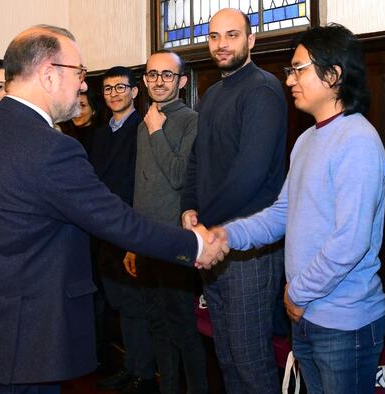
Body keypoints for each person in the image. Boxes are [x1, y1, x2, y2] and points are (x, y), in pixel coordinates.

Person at [0, 25, 224, 394]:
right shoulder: (51, 147)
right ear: (49, 75)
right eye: (79, 73)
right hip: (26, 339)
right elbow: (116, 221)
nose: (84, 86)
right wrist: (194, 245)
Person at [217, 24, 385, 394]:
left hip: (344, 321)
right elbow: (282, 213)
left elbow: (351, 241)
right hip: (308, 312)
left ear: (334, 74)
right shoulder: (307, 139)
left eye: (299, 69)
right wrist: (227, 234)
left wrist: (298, 293)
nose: (290, 79)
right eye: (289, 71)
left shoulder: (357, 140)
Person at [180, 8, 288, 393]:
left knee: (250, 361)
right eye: (214, 37)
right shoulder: (211, 94)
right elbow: (197, 159)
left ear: (251, 40)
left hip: (249, 248)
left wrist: (206, 224)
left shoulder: (262, 89)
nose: (222, 44)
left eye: (231, 35)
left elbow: (250, 173)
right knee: (226, 356)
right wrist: (189, 208)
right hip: (212, 239)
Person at [123, 50, 207, 394]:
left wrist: (157, 131)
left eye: (167, 75)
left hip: (174, 241)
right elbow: (141, 185)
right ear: (144, 81)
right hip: (144, 239)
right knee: (156, 324)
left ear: (182, 82)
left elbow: (177, 177)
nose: (158, 81)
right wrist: (130, 241)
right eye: (152, 75)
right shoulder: (146, 119)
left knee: (183, 327)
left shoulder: (190, 120)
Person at [90, 66, 159, 394]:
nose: (114, 94)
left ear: (135, 92)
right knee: (118, 304)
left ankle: (143, 374)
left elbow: (142, 184)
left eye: (120, 88)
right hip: (103, 231)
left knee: (135, 307)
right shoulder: (101, 133)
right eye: (107, 89)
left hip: (131, 229)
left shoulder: (142, 128)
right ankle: (131, 366)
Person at [57, 89, 99, 155]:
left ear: (93, 110)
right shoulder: (61, 133)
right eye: (74, 106)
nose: (76, 112)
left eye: (82, 106)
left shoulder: (101, 136)